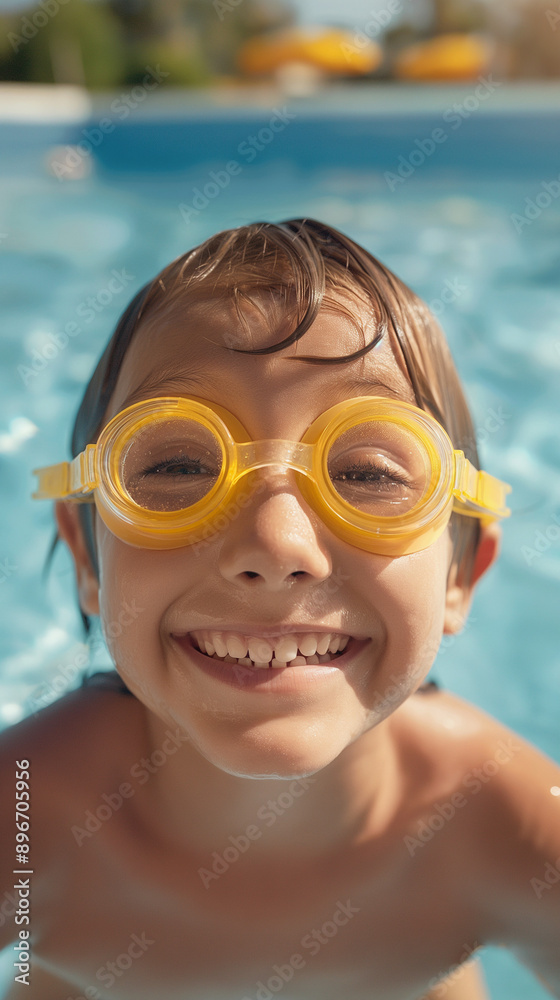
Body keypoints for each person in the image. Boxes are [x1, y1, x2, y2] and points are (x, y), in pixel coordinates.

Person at [1, 218, 559, 1000]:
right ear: (89, 556)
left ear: (464, 575)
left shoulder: (498, 824)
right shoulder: (29, 813)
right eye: (179, 465)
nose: (274, 544)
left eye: (367, 474)